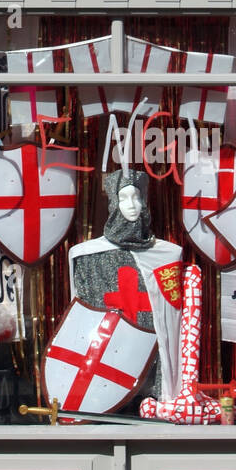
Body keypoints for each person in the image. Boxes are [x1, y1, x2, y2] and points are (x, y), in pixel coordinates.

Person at [68, 168, 184, 400]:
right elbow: (80, 324)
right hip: (109, 359)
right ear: (113, 202)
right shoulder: (86, 255)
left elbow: (170, 321)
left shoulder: (167, 255)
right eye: (123, 198)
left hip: (153, 362)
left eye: (137, 197)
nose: (131, 205)